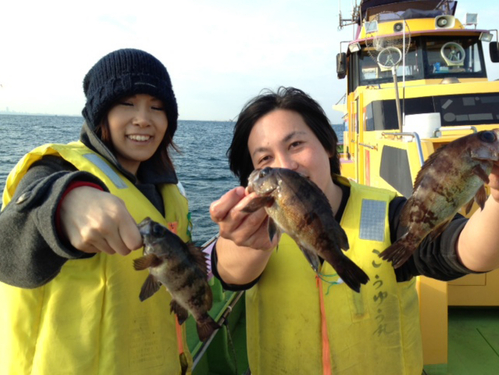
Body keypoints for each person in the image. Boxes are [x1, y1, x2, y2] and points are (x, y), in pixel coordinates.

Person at [209, 86, 499, 375]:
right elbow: (231, 273)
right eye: (264, 160)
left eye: (295, 144)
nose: (286, 165)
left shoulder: (384, 212)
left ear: (328, 144)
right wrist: (245, 242)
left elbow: (462, 250)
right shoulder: (259, 225)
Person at [0, 49, 194, 375]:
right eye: (127, 104)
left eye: (157, 108)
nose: (143, 118)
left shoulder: (170, 192)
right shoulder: (54, 169)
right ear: (98, 113)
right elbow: (7, 244)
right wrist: (62, 205)